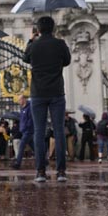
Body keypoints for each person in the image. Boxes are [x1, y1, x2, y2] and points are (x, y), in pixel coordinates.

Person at [23, 16, 71, 182]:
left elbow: (25, 58)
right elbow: (67, 61)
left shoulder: (34, 45)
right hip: (57, 92)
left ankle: (40, 172)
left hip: (38, 93)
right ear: (53, 28)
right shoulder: (60, 44)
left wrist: (31, 40)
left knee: (39, 131)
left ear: (38, 29)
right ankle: (61, 171)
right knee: (58, 132)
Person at [12, 95, 34, 170]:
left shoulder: (29, 107)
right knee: (34, 147)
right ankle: (44, 160)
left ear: (24, 99)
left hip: (28, 130)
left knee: (21, 146)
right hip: (24, 131)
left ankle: (18, 163)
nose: (18, 102)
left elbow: (30, 119)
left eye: (19, 100)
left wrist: (26, 127)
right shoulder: (22, 108)